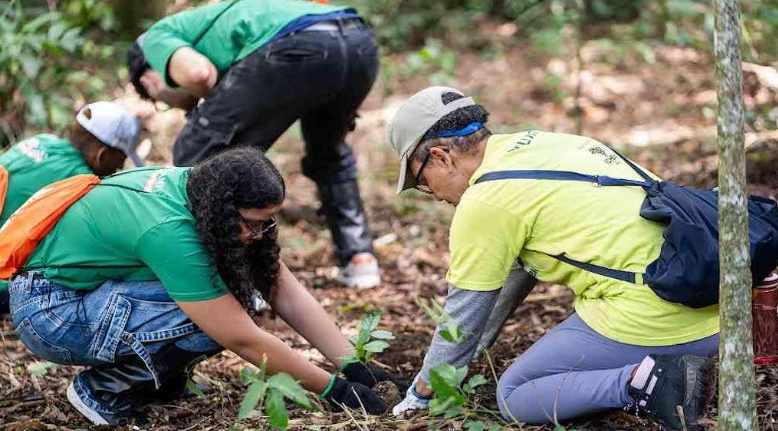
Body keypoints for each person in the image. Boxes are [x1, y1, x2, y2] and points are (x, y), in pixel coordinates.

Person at [386, 86, 720, 430]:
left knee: (515, 394)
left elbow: (463, 317)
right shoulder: (544, 144)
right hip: (710, 298)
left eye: (423, 181)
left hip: (662, 316)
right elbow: (511, 276)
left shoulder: (485, 201)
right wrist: (460, 363)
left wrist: (422, 393)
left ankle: (649, 381)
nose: (433, 195)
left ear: (442, 156)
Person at [5, 147, 401, 426]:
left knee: (232, 293)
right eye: (253, 223)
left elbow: (284, 288)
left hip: (84, 292)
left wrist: (352, 363)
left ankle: (158, 382)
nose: (260, 235)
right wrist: (335, 391)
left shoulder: (198, 189)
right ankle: (103, 389)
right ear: (224, 208)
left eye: (268, 223)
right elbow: (244, 339)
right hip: (52, 314)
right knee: (225, 309)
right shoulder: (171, 232)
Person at [126, 0, 381, 289]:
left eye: (158, 101)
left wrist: (193, 106)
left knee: (195, 149)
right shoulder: (207, 26)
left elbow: (199, 74)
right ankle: (359, 258)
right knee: (328, 152)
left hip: (298, 46)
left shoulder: (157, 38)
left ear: (148, 80)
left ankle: (211, 273)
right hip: (358, 42)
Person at [0, 101, 143, 315]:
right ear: (101, 155)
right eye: (120, 160)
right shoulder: (82, 183)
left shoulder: (42, 140)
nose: (120, 168)